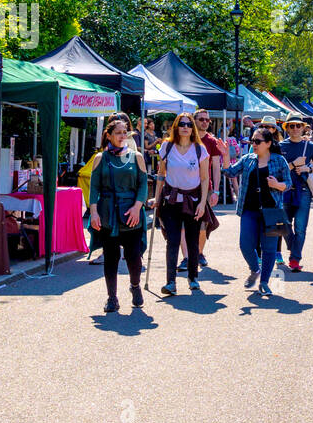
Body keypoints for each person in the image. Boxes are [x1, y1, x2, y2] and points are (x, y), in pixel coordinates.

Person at [88, 119, 148, 312]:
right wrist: (94, 213)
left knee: (133, 257)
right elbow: (94, 187)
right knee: (111, 257)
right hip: (108, 214)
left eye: (125, 132)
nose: (123, 136)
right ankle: (112, 297)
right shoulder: (100, 158)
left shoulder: (136, 156)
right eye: (119, 132)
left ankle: (135, 286)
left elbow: (143, 185)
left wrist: (137, 207)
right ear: (109, 135)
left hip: (131, 212)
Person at [226, 123, 290, 296]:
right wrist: (225, 154)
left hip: (272, 211)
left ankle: (264, 282)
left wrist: (277, 185)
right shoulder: (248, 159)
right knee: (245, 245)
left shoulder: (279, 160)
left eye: (258, 141)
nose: (253, 144)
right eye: (252, 141)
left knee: (269, 248)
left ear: (268, 143)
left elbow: (288, 184)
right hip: (249, 210)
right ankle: (255, 269)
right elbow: (230, 172)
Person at [155, 112, 211, 295]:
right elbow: (161, 175)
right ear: (176, 127)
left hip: (193, 201)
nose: (185, 127)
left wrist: (203, 202)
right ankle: (170, 281)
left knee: (192, 241)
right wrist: (156, 199)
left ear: (192, 127)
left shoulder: (200, 149)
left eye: (188, 124)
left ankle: (193, 277)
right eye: (182, 124)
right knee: (172, 240)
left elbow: (204, 178)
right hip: (171, 200)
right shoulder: (167, 146)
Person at [280, 113, 313, 272]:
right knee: (284, 225)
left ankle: (294, 259)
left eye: (298, 125)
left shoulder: (310, 146)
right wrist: (293, 164)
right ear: (287, 128)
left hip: (303, 190)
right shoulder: (280, 146)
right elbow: (275, 168)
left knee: (300, 228)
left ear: (303, 127)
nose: (295, 129)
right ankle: (294, 248)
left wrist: (308, 168)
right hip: (284, 190)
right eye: (291, 126)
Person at [188, 110, 224, 270]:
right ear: (194, 120)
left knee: (203, 224)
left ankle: (199, 253)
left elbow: (216, 167)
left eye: (207, 120)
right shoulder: (186, 138)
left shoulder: (211, 141)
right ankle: (188, 256)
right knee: (186, 224)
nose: (205, 122)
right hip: (185, 187)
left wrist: (216, 191)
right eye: (201, 119)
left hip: (205, 188)